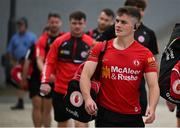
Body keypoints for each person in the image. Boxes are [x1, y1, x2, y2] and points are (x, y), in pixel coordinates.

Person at [80, 6, 159, 127]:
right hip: (105, 115)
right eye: (117, 21)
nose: (118, 25)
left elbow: (153, 85)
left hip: (133, 116)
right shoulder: (101, 47)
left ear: (136, 26)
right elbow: (85, 75)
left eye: (123, 22)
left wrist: (152, 108)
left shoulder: (145, 54)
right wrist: (87, 98)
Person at [96, 0, 159, 116]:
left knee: (139, 110)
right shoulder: (114, 29)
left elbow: (154, 61)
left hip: (137, 84)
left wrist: (155, 81)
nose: (137, 10)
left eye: (140, 8)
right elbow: (96, 46)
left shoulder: (149, 33)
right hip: (111, 84)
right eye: (133, 7)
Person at [40, 11, 95, 127]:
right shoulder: (59, 41)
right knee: (62, 123)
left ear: (84, 24)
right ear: (69, 23)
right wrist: (45, 81)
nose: (77, 26)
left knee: (81, 124)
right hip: (61, 91)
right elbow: (49, 63)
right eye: (74, 23)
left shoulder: (91, 43)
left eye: (80, 23)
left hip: (81, 91)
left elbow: (96, 68)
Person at [21, 13, 63, 127]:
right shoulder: (39, 42)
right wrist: (24, 80)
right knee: (37, 104)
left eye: (56, 22)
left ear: (60, 23)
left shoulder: (63, 40)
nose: (54, 25)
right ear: (48, 23)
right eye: (51, 22)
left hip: (53, 79)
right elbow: (32, 61)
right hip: (37, 78)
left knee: (47, 109)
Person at [6, 17, 37, 110]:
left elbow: (36, 50)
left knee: (30, 81)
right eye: (18, 25)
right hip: (19, 63)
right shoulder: (14, 38)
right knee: (20, 81)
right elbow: (9, 52)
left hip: (29, 63)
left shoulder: (32, 37)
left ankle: (35, 100)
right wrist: (13, 62)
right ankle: (20, 101)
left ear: (26, 26)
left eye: (21, 24)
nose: (19, 26)